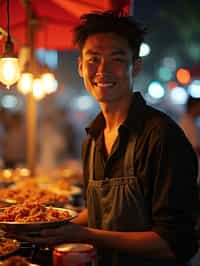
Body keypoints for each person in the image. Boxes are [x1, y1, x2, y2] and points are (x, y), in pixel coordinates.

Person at [20, 11, 199, 266]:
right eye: (93, 59)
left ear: (135, 66)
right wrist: (48, 225)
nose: (102, 70)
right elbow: (102, 210)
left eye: (116, 59)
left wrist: (84, 234)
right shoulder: (92, 138)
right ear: (81, 66)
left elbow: (175, 245)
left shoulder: (161, 137)